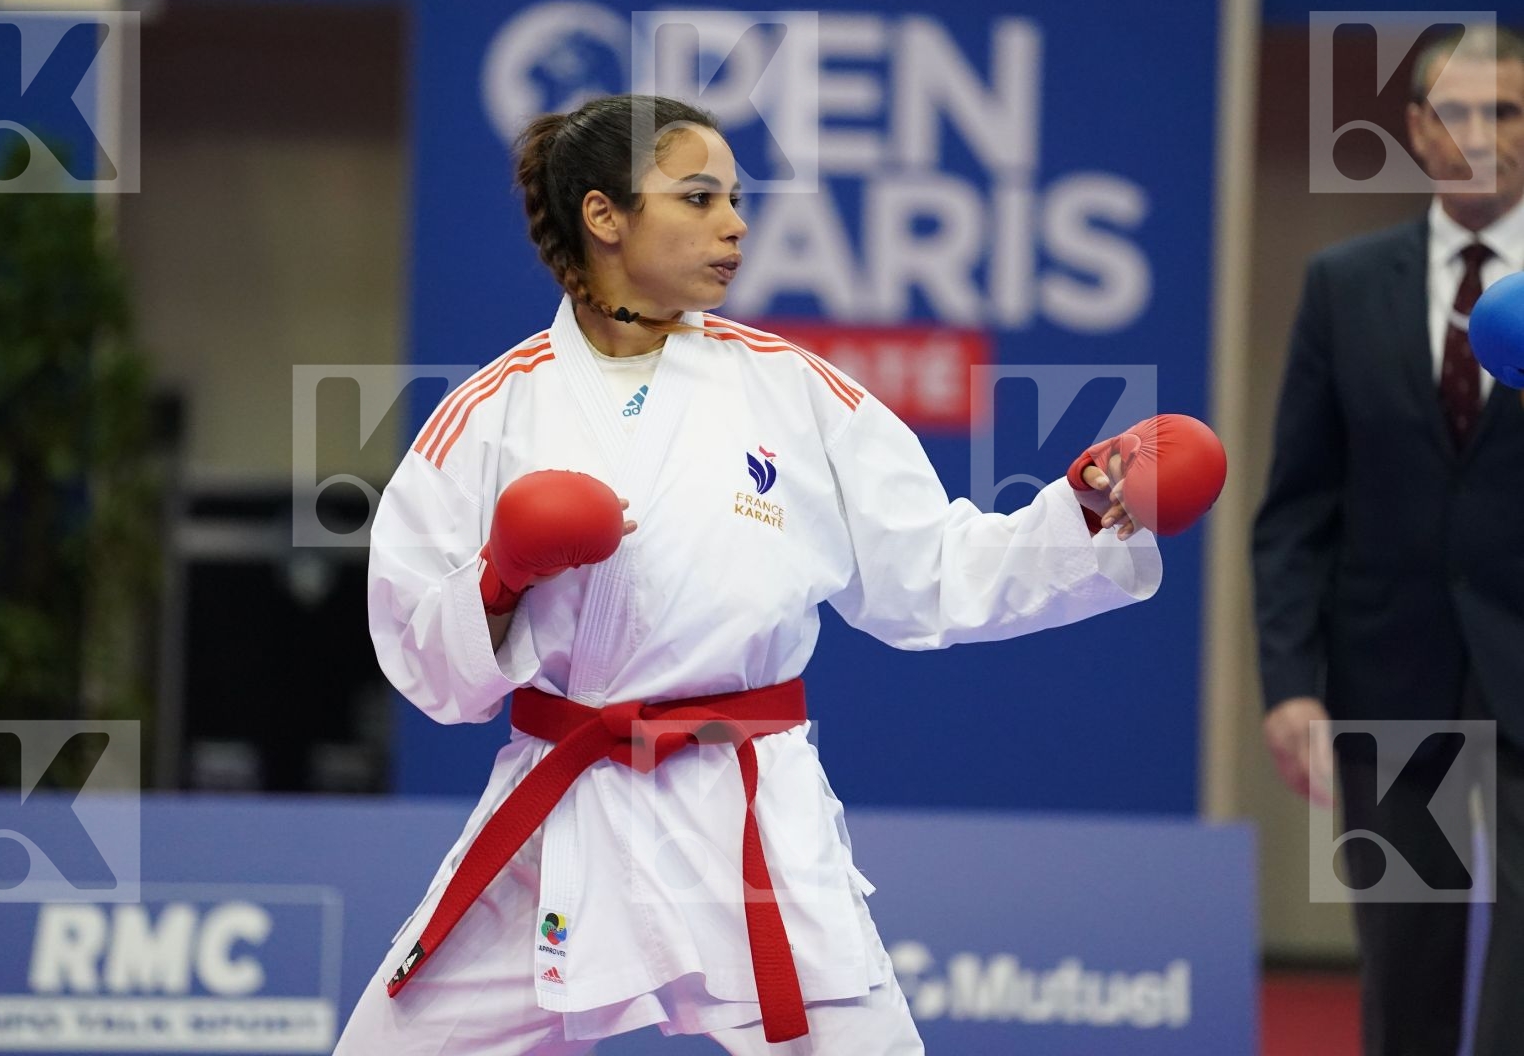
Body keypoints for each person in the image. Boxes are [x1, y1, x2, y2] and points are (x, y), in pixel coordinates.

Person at [334, 94, 1221, 1054]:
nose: (736, 223)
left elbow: (932, 571)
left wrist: (1084, 510)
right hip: (566, 805)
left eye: (737, 198)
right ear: (605, 217)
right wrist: (498, 579)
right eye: (700, 196)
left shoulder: (795, 391)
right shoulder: (492, 414)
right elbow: (427, 667)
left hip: (745, 813)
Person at [1253, 24, 1524, 1056]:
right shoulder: (1342, 283)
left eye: (1501, 111)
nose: (1478, 135)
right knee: (1403, 969)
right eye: (1453, 113)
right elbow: (1295, 507)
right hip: (1387, 681)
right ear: (1416, 130)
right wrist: (1288, 684)